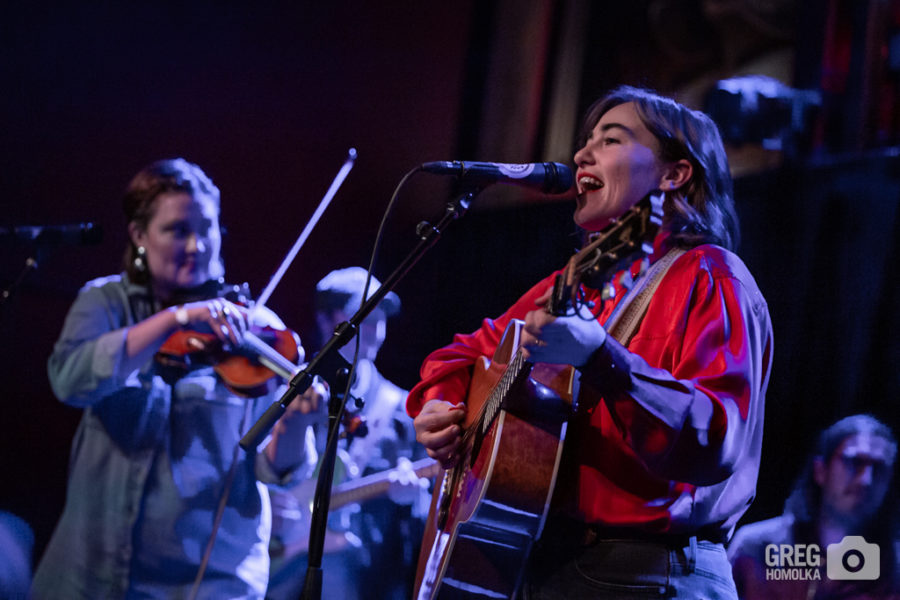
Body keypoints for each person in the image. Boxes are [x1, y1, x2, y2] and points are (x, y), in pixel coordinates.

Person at [410, 85, 774, 598]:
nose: (581, 153)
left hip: (650, 572)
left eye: (611, 139)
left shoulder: (711, 277)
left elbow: (715, 435)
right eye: (586, 140)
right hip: (551, 565)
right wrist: (441, 406)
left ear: (674, 174)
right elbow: (460, 356)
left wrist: (602, 357)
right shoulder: (572, 288)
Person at [30, 158, 322, 599]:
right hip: (92, 574)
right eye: (177, 230)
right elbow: (70, 381)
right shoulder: (106, 303)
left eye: (206, 228)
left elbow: (275, 469)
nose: (196, 245)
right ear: (139, 235)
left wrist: (297, 422)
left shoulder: (255, 329)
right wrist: (175, 318)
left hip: (206, 583)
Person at [266, 267, 430, 600]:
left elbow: (427, 506)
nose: (377, 331)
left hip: (363, 574)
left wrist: (413, 500)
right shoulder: (292, 390)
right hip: (280, 562)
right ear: (327, 320)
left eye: (382, 318)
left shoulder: (401, 410)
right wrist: (266, 501)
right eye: (365, 316)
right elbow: (256, 467)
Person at [729, 414, 900, 599]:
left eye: (879, 468)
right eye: (855, 462)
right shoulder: (756, 548)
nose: (866, 480)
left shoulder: (894, 567)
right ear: (821, 470)